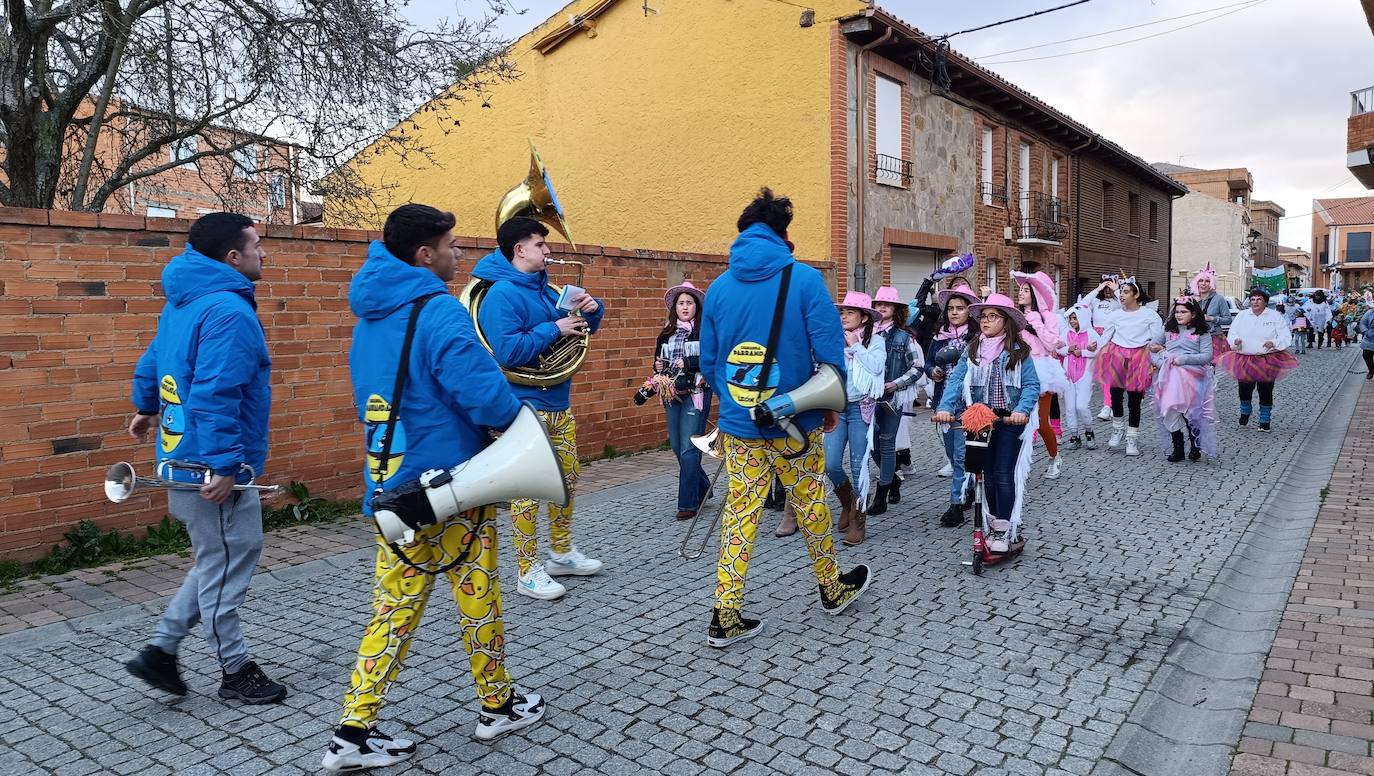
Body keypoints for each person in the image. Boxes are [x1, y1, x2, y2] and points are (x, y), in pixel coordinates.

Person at [322, 205, 545, 771]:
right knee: (477, 593)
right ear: (425, 254)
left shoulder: (370, 317)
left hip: (393, 487)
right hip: (452, 485)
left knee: (393, 605)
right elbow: (482, 391)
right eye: (450, 245)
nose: (457, 255)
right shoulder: (439, 311)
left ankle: (354, 731)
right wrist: (509, 428)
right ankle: (496, 705)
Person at [124, 212, 287, 705]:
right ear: (232, 257)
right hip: (207, 465)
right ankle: (235, 669)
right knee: (229, 561)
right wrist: (223, 466)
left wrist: (147, 405)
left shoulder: (184, 301)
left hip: (179, 453)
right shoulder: (227, 310)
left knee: (219, 558)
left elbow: (156, 356)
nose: (264, 253)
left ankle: (162, 650)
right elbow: (218, 391)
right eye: (257, 245)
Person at [698, 187, 872, 647]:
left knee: (740, 511)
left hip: (740, 425)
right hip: (797, 423)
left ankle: (725, 612)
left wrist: (738, 405)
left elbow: (712, 363)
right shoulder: (805, 280)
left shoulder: (716, 289)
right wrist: (825, 407)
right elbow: (831, 358)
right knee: (811, 502)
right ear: (784, 235)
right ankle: (831, 587)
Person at [471, 217, 606, 601]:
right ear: (519, 249)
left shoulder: (547, 290)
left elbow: (580, 328)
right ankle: (527, 571)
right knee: (527, 491)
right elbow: (508, 351)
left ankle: (561, 553)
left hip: (558, 402)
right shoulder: (502, 295)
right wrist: (554, 330)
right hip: (525, 408)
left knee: (567, 479)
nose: (548, 250)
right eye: (540, 243)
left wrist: (592, 311)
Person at [931, 293, 1041, 553]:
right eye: (983, 316)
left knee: (1003, 474)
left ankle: (1005, 530)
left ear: (1006, 322)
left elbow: (1031, 385)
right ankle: (993, 527)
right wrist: (946, 408)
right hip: (980, 420)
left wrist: (1022, 410)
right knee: (986, 476)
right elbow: (956, 380)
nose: (986, 321)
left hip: (1009, 420)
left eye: (993, 316)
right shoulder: (972, 350)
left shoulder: (1018, 351)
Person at [823, 292, 885, 546]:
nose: (844, 316)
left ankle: (859, 519)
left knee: (859, 465)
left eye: (850, 312)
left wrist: (856, 346)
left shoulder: (875, 341)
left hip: (862, 408)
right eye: (842, 312)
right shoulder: (833, 339)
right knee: (831, 463)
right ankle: (848, 501)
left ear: (863, 317)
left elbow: (877, 367)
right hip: (836, 407)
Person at [651, 281, 712, 521]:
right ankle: (703, 485)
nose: (685, 307)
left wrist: (687, 363)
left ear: (696, 307)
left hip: (696, 393)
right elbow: (657, 361)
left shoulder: (705, 332)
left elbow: (711, 359)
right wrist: (657, 366)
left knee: (689, 448)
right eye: (681, 303)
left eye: (689, 303)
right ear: (674, 307)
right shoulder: (666, 333)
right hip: (671, 394)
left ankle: (688, 503)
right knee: (677, 446)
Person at [924, 285, 981, 527]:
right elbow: (927, 364)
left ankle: (955, 505)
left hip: (968, 405)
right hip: (944, 404)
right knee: (951, 453)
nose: (954, 313)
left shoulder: (977, 339)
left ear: (970, 312)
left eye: (960, 308)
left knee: (960, 456)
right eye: (951, 309)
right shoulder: (939, 337)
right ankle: (967, 486)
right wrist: (933, 371)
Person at [868, 286, 924, 515]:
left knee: (887, 441)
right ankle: (892, 480)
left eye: (887, 304)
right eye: (878, 304)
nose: (881, 307)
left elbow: (918, 367)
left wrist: (896, 383)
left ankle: (881, 493)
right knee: (872, 445)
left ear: (895, 310)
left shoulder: (904, 337)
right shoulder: (865, 333)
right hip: (867, 397)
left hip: (892, 397)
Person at [1094, 278, 1164, 457]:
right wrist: (1095, 347)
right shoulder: (1115, 315)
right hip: (1117, 355)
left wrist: (1154, 355)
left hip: (1138, 357)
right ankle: (1117, 429)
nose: (1121, 295)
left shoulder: (1149, 315)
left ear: (1136, 295)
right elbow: (1106, 337)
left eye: (1126, 292)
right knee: (1115, 395)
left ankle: (1132, 438)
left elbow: (1157, 338)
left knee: (1134, 399)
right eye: (1121, 292)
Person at [1012, 271, 1067, 479]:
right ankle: (1018, 462)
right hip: (1018, 369)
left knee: (1041, 422)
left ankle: (1054, 457)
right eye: (1020, 290)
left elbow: (1051, 344)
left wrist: (1034, 320)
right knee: (1018, 419)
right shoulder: (1015, 316)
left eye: (1026, 290)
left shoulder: (1047, 317)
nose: (1021, 293)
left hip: (1042, 370)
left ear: (1035, 294)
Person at [1219, 288, 1297, 431]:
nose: (1255, 302)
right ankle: (1245, 411)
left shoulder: (1275, 316)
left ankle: (1265, 419)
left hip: (1267, 359)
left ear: (1265, 302)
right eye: (1253, 299)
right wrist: (1235, 342)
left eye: (1259, 299)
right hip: (1245, 358)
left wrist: (1273, 343)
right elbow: (1232, 333)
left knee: (1265, 389)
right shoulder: (1242, 315)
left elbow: (1286, 337)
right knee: (1244, 388)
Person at [1150, 297, 1216, 463]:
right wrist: (1162, 363)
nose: (1179, 315)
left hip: (1193, 378)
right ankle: (1177, 447)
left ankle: (1195, 445)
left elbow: (1207, 356)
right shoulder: (1168, 329)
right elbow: (1151, 348)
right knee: (1170, 409)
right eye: (1177, 311)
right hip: (1169, 377)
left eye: (1183, 312)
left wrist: (1183, 359)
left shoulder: (1202, 332)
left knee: (1191, 412)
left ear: (1193, 314)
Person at [1077, 278, 1123, 421]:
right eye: (1106, 288)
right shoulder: (1095, 302)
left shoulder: (1118, 302)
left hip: (1113, 337)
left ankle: (1110, 404)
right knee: (1104, 372)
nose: (1108, 291)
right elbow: (1082, 304)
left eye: (1110, 288)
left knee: (1111, 372)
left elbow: (1129, 305)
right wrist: (1097, 289)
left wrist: (1117, 289)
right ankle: (1108, 405)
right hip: (1098, 338)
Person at [1057, 306, 1101, 451]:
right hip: (1068, 374)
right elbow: (1058, 348)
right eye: (1071, 318)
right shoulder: (1066, 332)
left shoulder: (1091, 333)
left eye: (1075, 318)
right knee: (1070, 407)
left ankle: (1089, 431)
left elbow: (1099, 351)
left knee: (1081, 405)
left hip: (1085, 374)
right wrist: (1067, 349)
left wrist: (1082, 352)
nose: (1073, 321)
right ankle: (1074, 435)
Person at [1190, 264, 1231, 365]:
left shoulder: (1219, 299)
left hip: (1212, 337)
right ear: (1197, 283)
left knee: (1209, 368)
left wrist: (1212, 318)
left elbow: (1228, 319)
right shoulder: (1191, 299)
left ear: (1212, 283)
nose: (1204, 284)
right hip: (1193, 337)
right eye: (1201, 281)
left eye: (1207, 281)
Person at [1359, 303, 1374, 379]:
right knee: (1366, 354)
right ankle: (1371, 370)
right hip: (1370, 337)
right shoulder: (1369, 313)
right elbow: (1362, 323)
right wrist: (1365, 332)